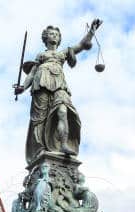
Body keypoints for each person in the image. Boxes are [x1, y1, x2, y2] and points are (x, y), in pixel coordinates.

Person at [14, 19, 102, 164]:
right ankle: (40, 148)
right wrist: (23, 88)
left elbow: (81, 45)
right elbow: (31, 73)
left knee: (63, 111)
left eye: (56, 34)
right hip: (41, 82)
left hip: (59, 84)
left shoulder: (63, 54)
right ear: (46, 38)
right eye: (51, 34)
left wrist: (91, 32)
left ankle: (63, 144)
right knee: (39, 119)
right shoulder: (41, 56)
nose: (54, 36)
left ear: (59, 38)